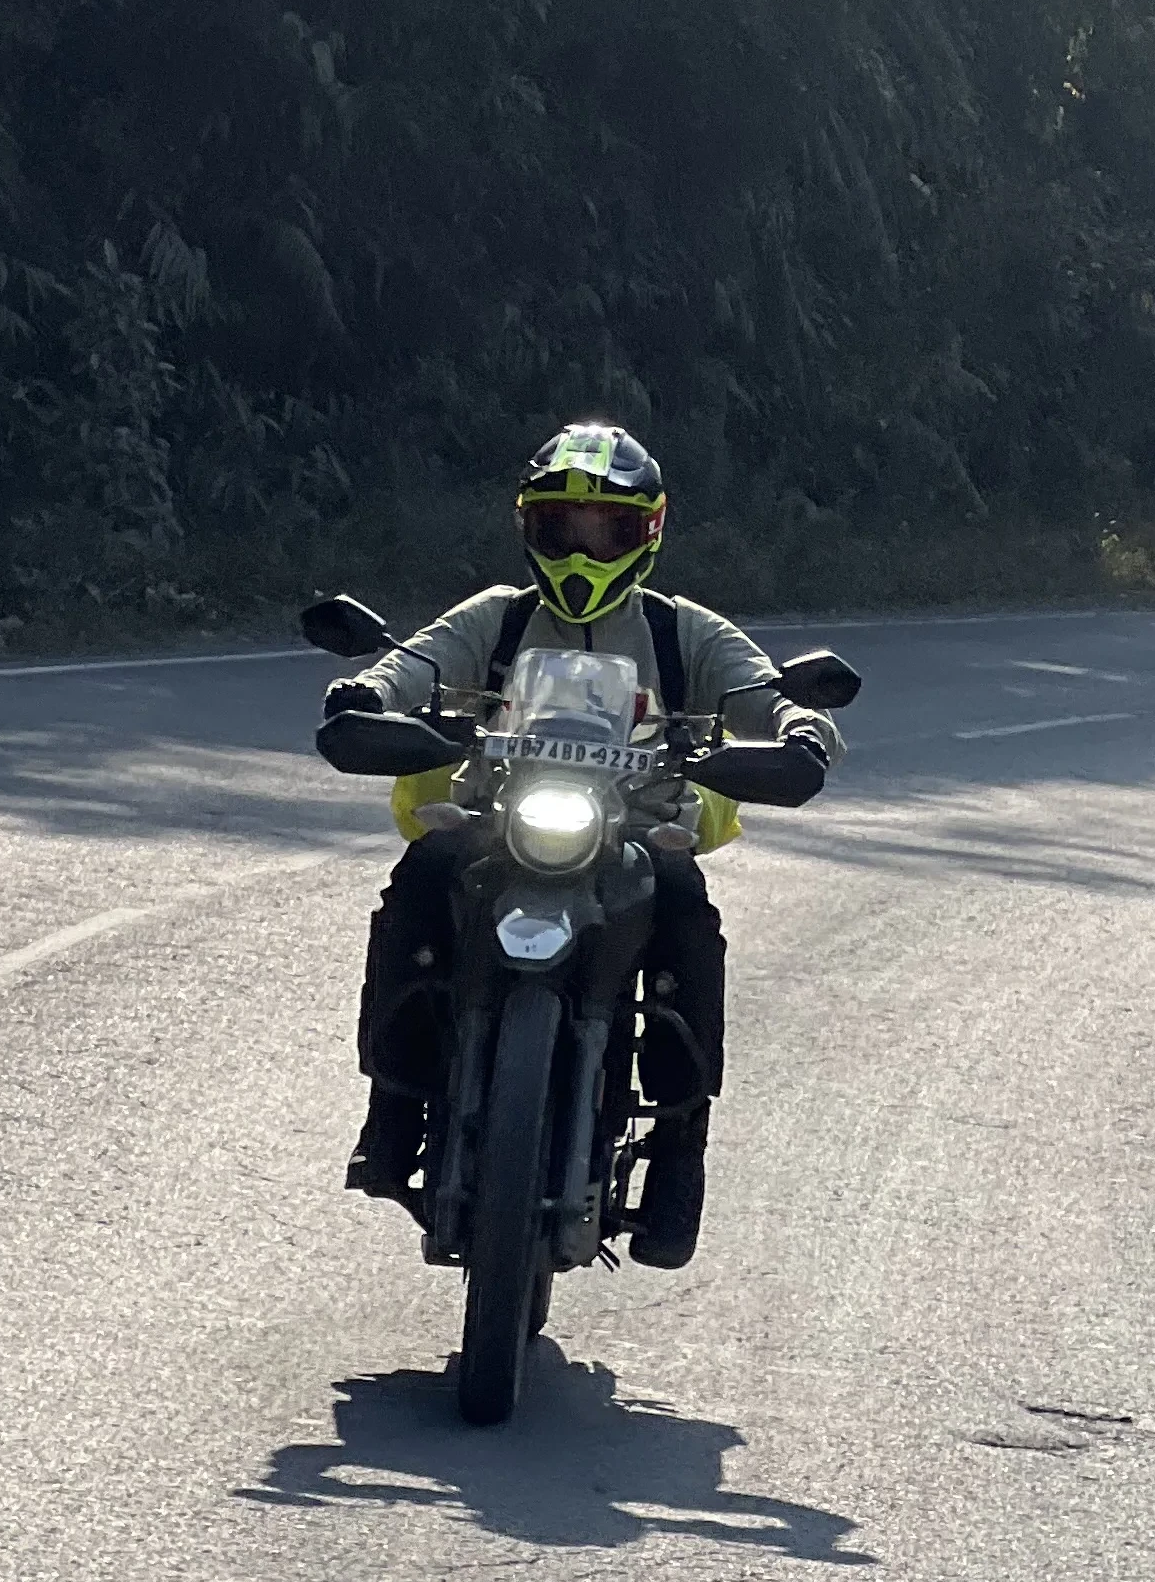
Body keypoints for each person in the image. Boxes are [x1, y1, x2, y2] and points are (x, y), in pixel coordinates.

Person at [331, 421, 838, 1269]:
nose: (582, 547)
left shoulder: (686, 636)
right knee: (421, 877)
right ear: (531, 528)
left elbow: (762, 695)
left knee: (686, 917)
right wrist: (364, 690)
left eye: (607, 528)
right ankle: (393, 1106)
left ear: (648, 532)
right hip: (499, 822)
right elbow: (408, 666)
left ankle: (680, 1152)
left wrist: (798, 725)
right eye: (562, 526)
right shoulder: (493, 620)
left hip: (636, 833)